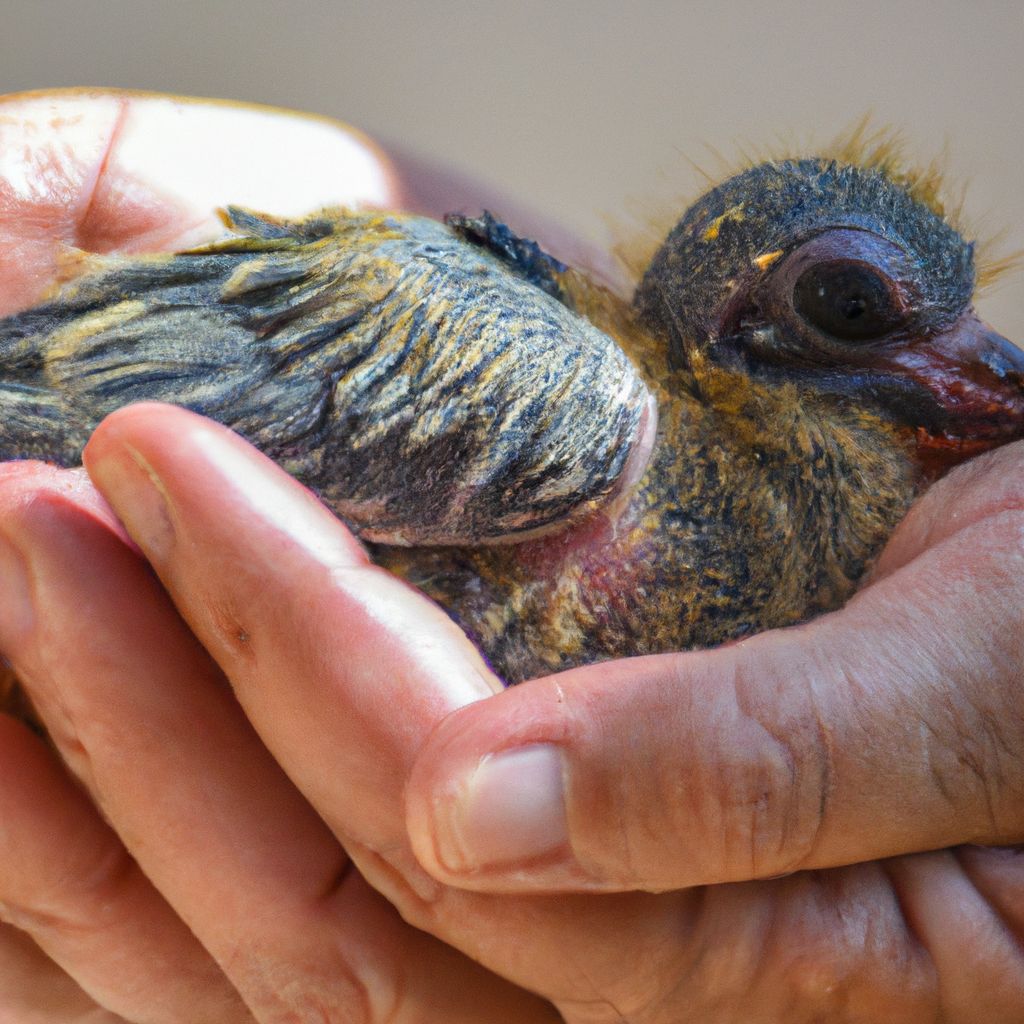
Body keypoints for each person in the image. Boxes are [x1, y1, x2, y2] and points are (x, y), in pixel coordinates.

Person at [0, 89, 1021, 1024]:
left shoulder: (845, 539)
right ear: (739, 322)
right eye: (853, 309)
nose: (985, 369)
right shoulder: (578, 407)